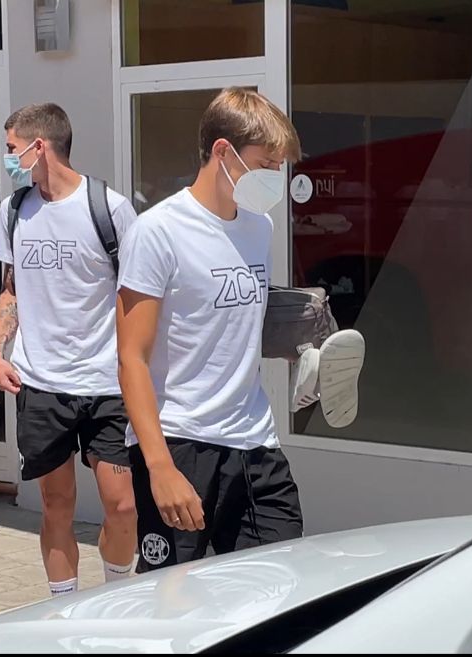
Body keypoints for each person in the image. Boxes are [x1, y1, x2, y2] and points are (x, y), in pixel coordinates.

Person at [117, 88, 305, 571]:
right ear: (223, 151)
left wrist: (298, 346)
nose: (274, 177)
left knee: (280, 585)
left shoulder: (259, 228)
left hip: (255, 442)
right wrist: (160, 467)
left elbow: (232, 324)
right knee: (175, 599)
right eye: (266, 164)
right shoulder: (157, 232)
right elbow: (131, 358)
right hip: (181, 442)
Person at [0, 103, 139, 597]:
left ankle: (115, 596)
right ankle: (63, 609)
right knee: (56, 505)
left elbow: (138, 295)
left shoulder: (109, 208)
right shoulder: (14, 211)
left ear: (40, 146)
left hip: (107, 385)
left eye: (12, 148)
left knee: (123, 506)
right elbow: (10, 290)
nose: (8, 159)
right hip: (41, 384)